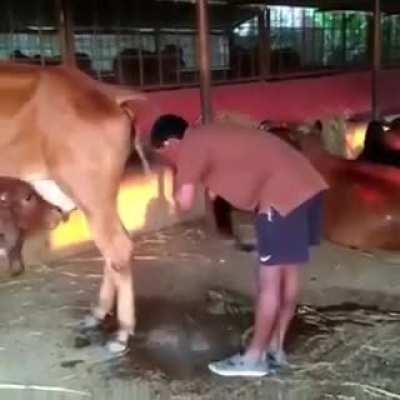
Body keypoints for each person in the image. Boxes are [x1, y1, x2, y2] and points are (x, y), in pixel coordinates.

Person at [150, 114, 328, 377]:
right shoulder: (213, 135)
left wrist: (175, 189)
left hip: (280, 195)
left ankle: (254, 359)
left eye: (166, 154)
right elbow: (221, 183)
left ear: (171, 142)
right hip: (307, 186)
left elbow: (185, 202)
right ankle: (275, 349)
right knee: (287, 275)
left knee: (268, 281)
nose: (171, 160)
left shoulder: (192, 143)